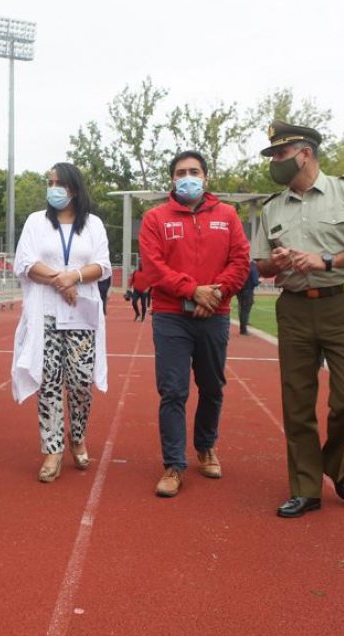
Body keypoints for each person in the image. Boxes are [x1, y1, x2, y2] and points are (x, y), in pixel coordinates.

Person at [251, 121, 344, 518]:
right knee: (297, 403)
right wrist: (273, 262)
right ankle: (305, 487)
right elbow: (260, 266)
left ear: (305, 153)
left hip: (341, 304)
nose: (275, 162)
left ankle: (334, 463)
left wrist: (328, 259)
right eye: (273, 156)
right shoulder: (272, 208)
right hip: (294, 308)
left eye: (280, 154)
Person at [139, 150, 251, 497]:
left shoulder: (228, 215)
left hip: (214, 315)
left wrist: (214, 295)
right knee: (173, 390)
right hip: (172, 315)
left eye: (194, 171)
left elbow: (241, 260)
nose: (187, 177)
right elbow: (154, 267)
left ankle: (206, 446)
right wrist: (192, 291)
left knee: (213, 387)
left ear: (206, 177)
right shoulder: (155, 218)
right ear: (172, 179)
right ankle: (174, 464)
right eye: (180, 172)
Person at [12, 162, 111, 483]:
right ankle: (52, 448)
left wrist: (76, 277)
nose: (53, 188)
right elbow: (25, 262)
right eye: (50, 181)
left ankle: (77, 436)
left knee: (81, 381)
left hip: (81, 312)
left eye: (60, 183)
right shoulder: (35, 222)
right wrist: (61, 280)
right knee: (50, 380)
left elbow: (103, 265)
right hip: (46, 314)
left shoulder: (93, 224)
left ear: (74, 188)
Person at [237, 261, 261, 335]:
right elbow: (255, 281)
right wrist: (259, 281)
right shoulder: (253, 267)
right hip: (248, 290)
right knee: (246, 310)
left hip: (240, 290)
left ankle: (243, 327)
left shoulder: (241, 265)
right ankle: (243, 329)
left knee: (241, 309)